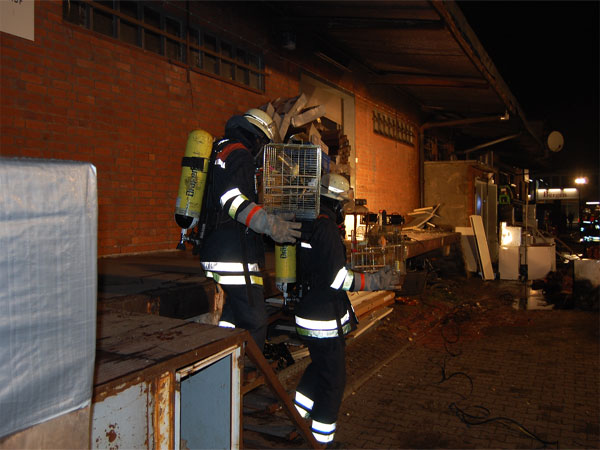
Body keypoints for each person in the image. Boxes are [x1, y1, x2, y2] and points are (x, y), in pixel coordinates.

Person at [293, 173, 401, 447]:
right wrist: (375, 281)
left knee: (319, 367)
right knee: (334, 381)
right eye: (344, 204)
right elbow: (337, 278)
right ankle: (321, 440)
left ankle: (296, 415)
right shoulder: (326, 227)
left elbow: (321, 268)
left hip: (310, 310)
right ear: (336, 202)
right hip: (323, 318)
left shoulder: (310, 221)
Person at [199, 108, 301, 351]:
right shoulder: (241, 154)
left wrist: (271, 215)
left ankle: (224, 360)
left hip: (215, 247)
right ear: (258, 138)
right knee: (254, 320)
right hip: (234, 256)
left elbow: (228, 202)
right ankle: (248, 368)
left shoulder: (221, 150)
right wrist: (270, 225)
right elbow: (232, 199)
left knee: (232, 316)